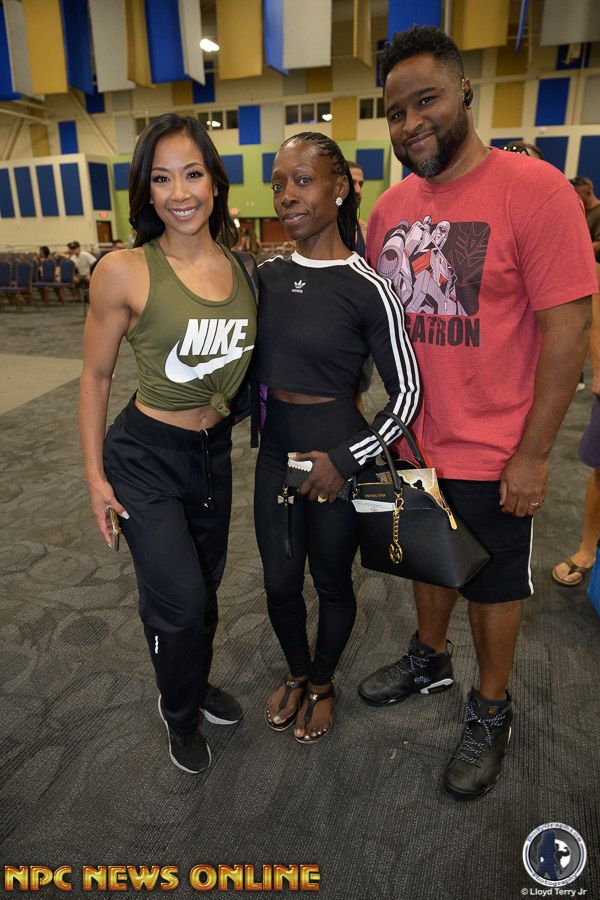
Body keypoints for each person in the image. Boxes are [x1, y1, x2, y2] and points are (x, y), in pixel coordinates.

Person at [358, 25, 597, 799]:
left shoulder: (535, 190)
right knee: (427, 560)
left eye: (425, 100)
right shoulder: (389, 208)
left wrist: (534, 454)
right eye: (396, 112)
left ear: (465, 91)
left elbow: (568, 331)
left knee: (493, 589)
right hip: (412, 439)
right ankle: (429, 658)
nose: (411, 123)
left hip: (496, 450)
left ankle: (491, 708)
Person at [78, 113, 257, 774]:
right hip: (144, 456)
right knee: (178, 599)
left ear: (214, 182)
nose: (179, 192)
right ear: (145, 191)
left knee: (203, 590)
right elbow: (96, 377)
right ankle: (178, 712)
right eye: (161, 179)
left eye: (192, 174)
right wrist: (96, 478)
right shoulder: (123, 270)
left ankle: (193, 681)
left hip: (211, 457)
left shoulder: (243, 269)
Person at [254, 132, 420, 743]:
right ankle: (297, 671)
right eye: (278, 184)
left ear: (340, 188)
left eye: (303, 180)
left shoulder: (367, 286)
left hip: (335, 457)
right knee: (278, 581)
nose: (287, 195)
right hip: (277, 453)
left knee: (330, 582)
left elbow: (407, 395)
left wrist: (347, 460)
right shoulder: (265, 277)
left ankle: (322, 682)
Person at [569, 176, 600, 261]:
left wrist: (574, 255)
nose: (574, 198)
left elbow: (598, 244)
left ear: (588, 192)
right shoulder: (577, 211)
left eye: (578, 195)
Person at [347, 161, 368, 255]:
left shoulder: (365, 230)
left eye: (360, 184)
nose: (358, 190)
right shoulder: (319, 230)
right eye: (352, 183)